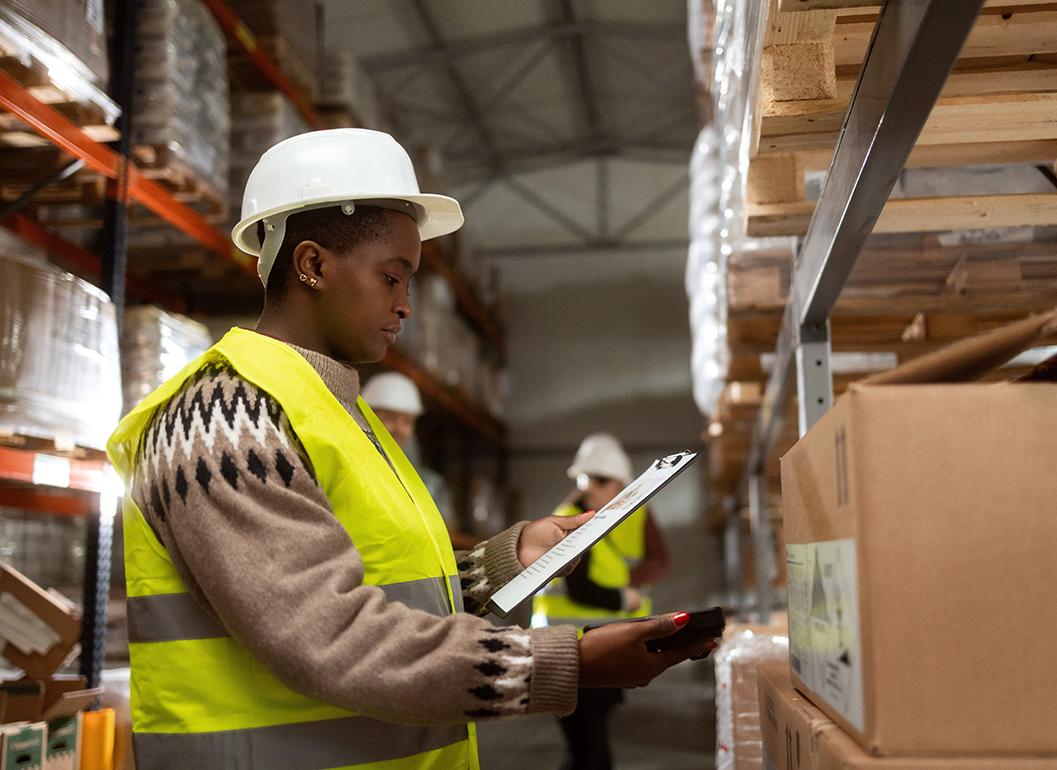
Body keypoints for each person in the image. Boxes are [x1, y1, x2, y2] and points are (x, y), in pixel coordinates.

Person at [106, 129, 715, 770]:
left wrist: (510, 562)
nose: (407, 306)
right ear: (311, 265)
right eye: (392, 277)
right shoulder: (223, 421)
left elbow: (387, 589)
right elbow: (331, 637)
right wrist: (569, 663)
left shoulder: (340, 412)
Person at [532, 433, 672, 770]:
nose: (590, 486)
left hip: (602, 648)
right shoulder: (571, 520)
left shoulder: (617, 517)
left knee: (593, 750)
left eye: (600, 479)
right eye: (585, 479)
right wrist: (625, 596)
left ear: (621, 484)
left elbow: (659, 559)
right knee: (584, 751)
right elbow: (580, 590)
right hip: (570, 651)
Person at [361, 371, 479, 548]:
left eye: (407, 421)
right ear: (364, 416)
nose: (399, 429)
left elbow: (445, 537)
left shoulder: (431, 485)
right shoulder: (352, 469)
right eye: (390, 418)